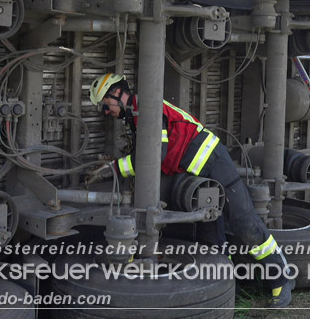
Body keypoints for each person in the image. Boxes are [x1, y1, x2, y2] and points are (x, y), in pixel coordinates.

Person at [86, 73, 295, 307]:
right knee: (210, 237)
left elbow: (154, 156)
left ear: (118, 93)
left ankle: (282, 279)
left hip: (213, 161)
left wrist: (113, 168)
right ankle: (226, 287)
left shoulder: (147, 109)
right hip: (195, 172)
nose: (106, 113)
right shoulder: (135, 115)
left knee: (243, 222)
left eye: (106, 106)